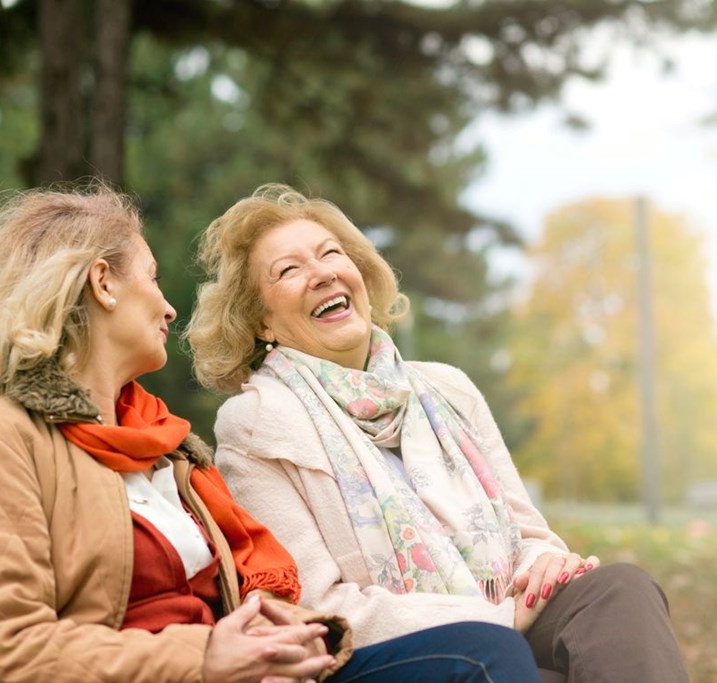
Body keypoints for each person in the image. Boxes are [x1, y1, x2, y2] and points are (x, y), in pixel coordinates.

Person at [0, 184, 541, 683]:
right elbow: (8, 648)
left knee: (496, 647)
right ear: (103, 283)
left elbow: (259, 591)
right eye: (153, 276)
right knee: (487, 655)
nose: (170, 308)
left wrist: (283, 643)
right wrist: (205, 657)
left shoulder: (167, 451)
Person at [186, 183, 690, 682]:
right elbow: (317, 603)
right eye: (289, 270)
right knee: (496, 651)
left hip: (512, 611)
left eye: (330, 254)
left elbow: (529, 534)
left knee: (620, 589)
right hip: (404, 648)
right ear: (263, 324)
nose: (322, 273)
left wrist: (544, 566)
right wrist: (497, 619)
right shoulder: (257, 422)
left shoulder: (449, 388)